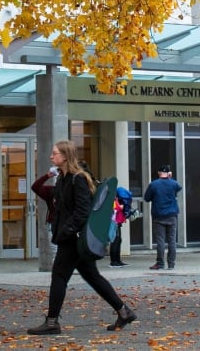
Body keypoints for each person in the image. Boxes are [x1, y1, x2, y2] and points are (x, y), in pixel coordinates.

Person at [26, 140, 136, 336]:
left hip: (72, 239)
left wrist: (67, 231)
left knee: (59, 276)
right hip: (70, 237)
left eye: (55, 153)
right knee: (92, 276)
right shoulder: (63, 178)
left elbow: (83, 211)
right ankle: (124, 311)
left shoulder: (78, 179)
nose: (51, 157)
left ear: (65, 156)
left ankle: (52, 322)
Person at [143, 164, 181, 270]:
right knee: (172, 240)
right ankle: (171, 264)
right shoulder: (173, 183)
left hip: (158, 216)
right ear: (169, 173)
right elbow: (179, 187)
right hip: (172, 215)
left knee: (160, 241)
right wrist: (170, 178)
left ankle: (160, 263)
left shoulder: (154, 185)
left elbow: (146, 198)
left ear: (159, 173)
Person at [108, 186, 131, 267]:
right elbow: (114, 209)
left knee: (118, 240)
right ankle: (113, 261)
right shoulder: (112, 199)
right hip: (114, 222)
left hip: (117, 222)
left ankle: (118, 260)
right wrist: (121, 207)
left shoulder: (116, 199)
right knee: (115, 241)